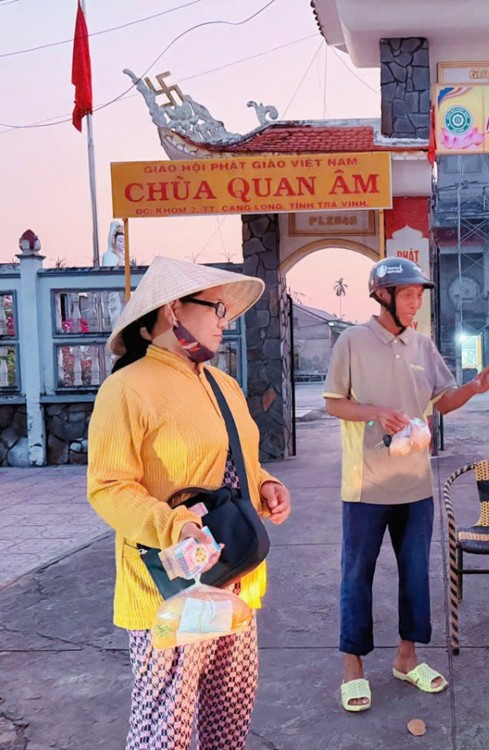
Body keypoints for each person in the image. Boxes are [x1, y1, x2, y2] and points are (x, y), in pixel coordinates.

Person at [87, 256, 292, 749]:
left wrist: (266, 486)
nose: (225, 321)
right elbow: (108, 487)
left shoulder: (223, 385)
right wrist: (172, 524)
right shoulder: (126, 389)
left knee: (230, 714)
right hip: (167, 589)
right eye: (218, 308)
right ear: (175, 310)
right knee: (166, 727)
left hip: (233, 580)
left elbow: (240, 458)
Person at [324, 257, 489, 712]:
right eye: (408, 294)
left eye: (420, 294)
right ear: (383, 296)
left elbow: (444, 402)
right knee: (356, 575)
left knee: (416, 574)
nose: (417, 301)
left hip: (416, 486)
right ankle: (353, 667)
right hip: (366, 487)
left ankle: (407, 657)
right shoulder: (352, 342)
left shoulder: (422, 345)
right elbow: (334, 404)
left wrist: (477, 386)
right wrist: (376, 411)